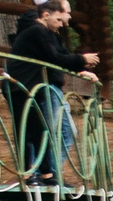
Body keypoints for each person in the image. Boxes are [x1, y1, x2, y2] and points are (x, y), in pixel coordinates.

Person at [7, 0, 91, 185]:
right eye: (61, 17)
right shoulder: (37, 30)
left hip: (35, 85)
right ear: (47, 15)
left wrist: (80, 66)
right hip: (23, 86)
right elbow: (53, 57)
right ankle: (32, 174)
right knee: (31, 130)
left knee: (43, 131)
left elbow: (58, 54)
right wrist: (81, 59)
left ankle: (47, 174)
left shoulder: (47, 32)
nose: (64, 22)